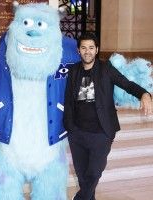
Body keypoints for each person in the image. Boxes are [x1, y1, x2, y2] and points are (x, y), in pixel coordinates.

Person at [63, 33, 152, 200]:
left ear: (96, 50)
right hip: (77, 133)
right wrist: (70, 127)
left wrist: (144, 94)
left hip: (101, 133)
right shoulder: (73, 70)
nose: (87, 51)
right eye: (83, 48)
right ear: (78, 50)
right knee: (83, 177)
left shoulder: (106, 69)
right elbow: (68, 100)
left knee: (94, 174)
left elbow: (127, 85)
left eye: (91, 48)